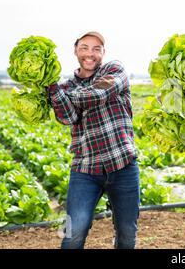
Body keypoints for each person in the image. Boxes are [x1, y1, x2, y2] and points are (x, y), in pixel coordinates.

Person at [47, 31, 140, 249]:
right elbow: (67, 116)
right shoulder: (66, 84)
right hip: (85, 169)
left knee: (127, 234)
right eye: (84, 48)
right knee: (74, 232)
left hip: (123, 165)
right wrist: (55, 88)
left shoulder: (114, 69)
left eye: (97, 49)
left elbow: (99, 94)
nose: (91, 53)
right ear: (75, 51)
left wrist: (59, 92)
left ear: (103, 53)